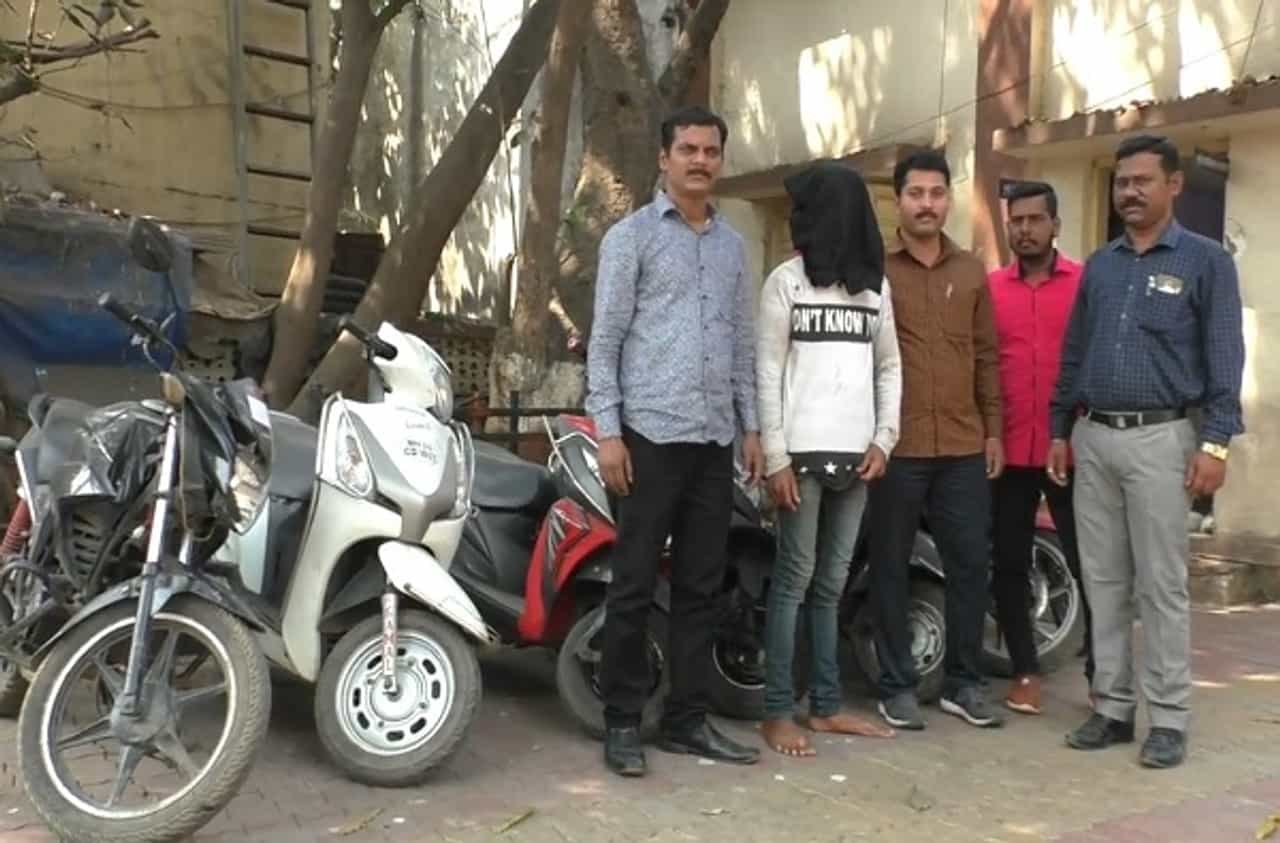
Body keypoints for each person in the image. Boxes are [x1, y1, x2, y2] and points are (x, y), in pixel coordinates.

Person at [1049, 134, 1244, 769]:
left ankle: (1169, 717)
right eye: (1122, 182)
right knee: (1103, 581)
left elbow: (1225, 358)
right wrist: (1060, 430)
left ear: (1174, 185)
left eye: (1142, 181)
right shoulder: (1101, 265)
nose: (1129, 192)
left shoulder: (1206, 262)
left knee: (1161, 585)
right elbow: (1074, 353)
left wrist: (1215, 443)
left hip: (1163, 440)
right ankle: (1111, 707)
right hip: (1094, 438)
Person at [585, 105, 765, 777]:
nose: (700, 160)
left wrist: (750, 426)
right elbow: (604, 343)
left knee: (700, 587)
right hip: (647, 439)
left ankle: (686, 720)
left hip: (713, 442)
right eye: (687, 149)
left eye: (710, 151)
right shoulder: (629, 239)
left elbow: (741, 346)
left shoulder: (732, 248)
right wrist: (609, 433)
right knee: (633, 584)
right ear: (664, 159)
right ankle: (622, 721)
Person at [755, 162, 902, 756]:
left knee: (831, 585)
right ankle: (776, 711)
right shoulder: (785, 283)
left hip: (857, 459)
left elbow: (888, 366)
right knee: (794, 581)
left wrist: (884, 439)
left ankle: (825, 706)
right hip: (800, 459)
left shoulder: (875, 288)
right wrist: (775, 457)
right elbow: (767, 370)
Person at [869, 150, 1005, 731]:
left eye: (937, 193)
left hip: (962, 446)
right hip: (894, 448)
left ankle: (964, 683)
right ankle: (896, 685)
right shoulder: (874, 269)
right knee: (889, 566)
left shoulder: (971, 271)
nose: (927, 204)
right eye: (916, 193)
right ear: (898, 200)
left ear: (949, 199)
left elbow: (987, 356)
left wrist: (993, 430)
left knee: (970, 563)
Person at [988, 181, 1093, 715]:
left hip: (1072, 450)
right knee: (1008, 563)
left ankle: (1103, 673)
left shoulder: (1085, 284)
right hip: (1008, 452)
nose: (1025, 229)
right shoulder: (991, 289)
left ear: (1056, 225)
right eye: (1017, 221)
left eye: (1035, 219)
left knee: (1090, 563)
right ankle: (1024, 671)